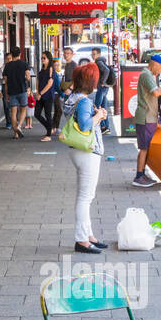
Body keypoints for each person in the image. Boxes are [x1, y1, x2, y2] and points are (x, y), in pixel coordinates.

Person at [60, 60, 108, 253]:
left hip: (76, 150)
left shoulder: (72, 98)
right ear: (91, 82)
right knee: (85, 198)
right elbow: (86, 125)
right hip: (87, 151)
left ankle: (89, 236)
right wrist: (100, 116)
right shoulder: (85, 101)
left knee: (85, 196)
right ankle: (82, 240)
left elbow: (79, 120)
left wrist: (94, 114)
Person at [133, 52, 161, 186]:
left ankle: (142, 174)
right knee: (144, 148)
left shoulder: (148, 75)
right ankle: (138, 177)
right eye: (160, 68)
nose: (160, 71)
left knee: (146, 148)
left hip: (149, 117)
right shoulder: (146, 75)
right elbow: (155, 92)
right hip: (145, 117)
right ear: (155, 65)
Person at [2, 46, 30, 139]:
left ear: (11, 54)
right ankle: (19, 126)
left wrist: (6, 94)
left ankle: (15, 133)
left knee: (13, 112)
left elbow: (5, 82)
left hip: (11, 91)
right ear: (20, 54)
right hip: (22, 90)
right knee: (23, 109)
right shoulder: (24, 64)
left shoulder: (7, 66)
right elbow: (28, 77)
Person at [35, 51, 60, 141]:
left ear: (49, 59)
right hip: (40, 95)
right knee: (36, 114)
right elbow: (38, 81)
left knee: (47, 114)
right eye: (42, 58)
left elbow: (50, 84)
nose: (42, 59)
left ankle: (48, 135)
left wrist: (41, 93)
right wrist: (37, 92)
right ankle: (49, 128)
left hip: (48, 95)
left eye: (44, 58)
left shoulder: (51, 69)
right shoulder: (42, 69)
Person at [53, 45, 76, 133]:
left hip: (71, 92)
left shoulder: (74, 65)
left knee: (69, 112)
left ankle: (73, 131)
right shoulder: (67, 65)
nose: (66, 55)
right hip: (66, 91)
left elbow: (77, 78)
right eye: (65, 53)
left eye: (68, 53)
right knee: (67, 111)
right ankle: (71, 130)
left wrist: (70, 89)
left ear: (72, 54)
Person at [91, 47, 112, 134]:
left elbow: (106, 71)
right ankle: (105, 127)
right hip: (104, 87)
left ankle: (102, 126)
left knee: (96, 106)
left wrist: (102, 81)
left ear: (99, 54)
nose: (93, 56)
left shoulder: (99, 62)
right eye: (92, 54)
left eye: (94, 54)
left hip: (102, 87)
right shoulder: (101, 61)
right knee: (103, 107)